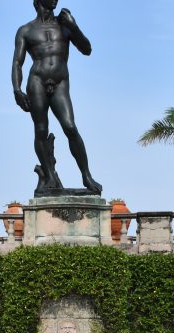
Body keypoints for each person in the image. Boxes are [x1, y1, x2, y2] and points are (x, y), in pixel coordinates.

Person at [13, 0, 102, 195]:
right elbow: (17, 63)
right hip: (37, 81)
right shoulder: (26, 30)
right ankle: (49, 175)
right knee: (41, 130)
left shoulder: (65, 25)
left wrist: (73, 26)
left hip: (60, 82)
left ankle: (86, 175)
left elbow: (87, 49)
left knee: (70, 127)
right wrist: (17, 90)